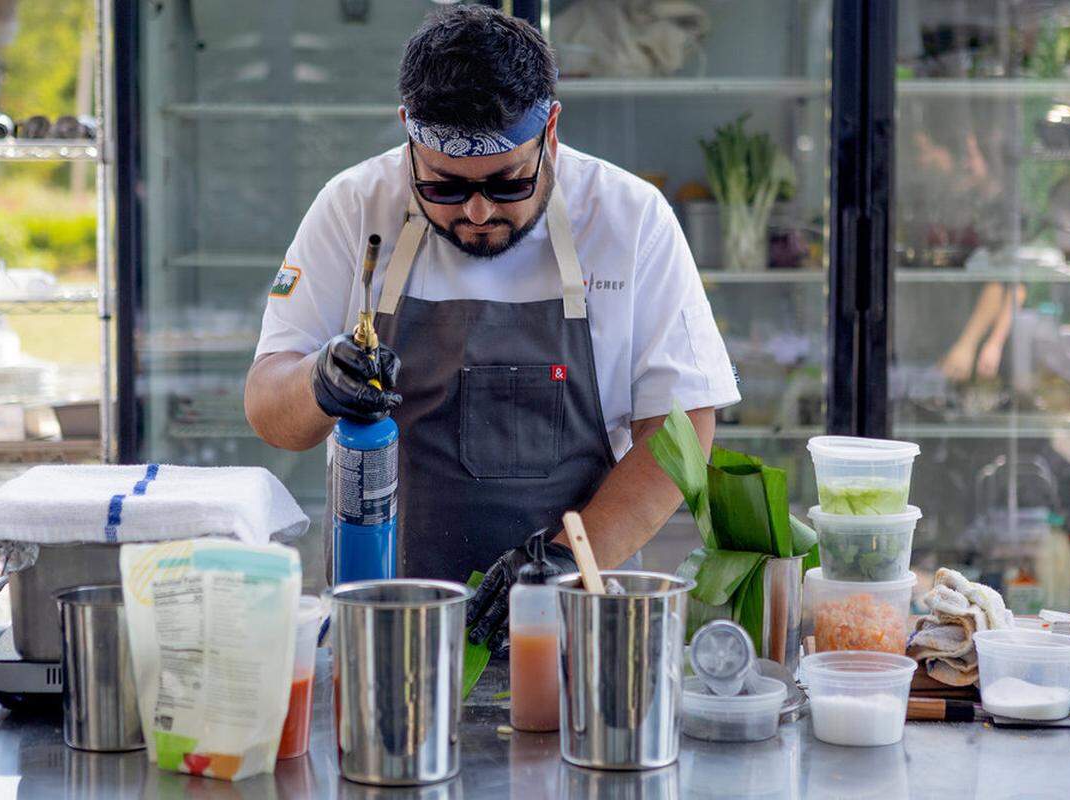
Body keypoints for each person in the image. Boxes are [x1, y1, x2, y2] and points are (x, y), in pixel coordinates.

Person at [244, 6, 739, 652]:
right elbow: (266, 406)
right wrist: (318, 383)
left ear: (551, 131)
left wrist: (565, 564)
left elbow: (682, 431)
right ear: (408, 137)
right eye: (444, 188)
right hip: (386, 624)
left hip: (568, 629)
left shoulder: (627, 220)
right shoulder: (354, 207)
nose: (477, 212)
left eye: (507, 184)